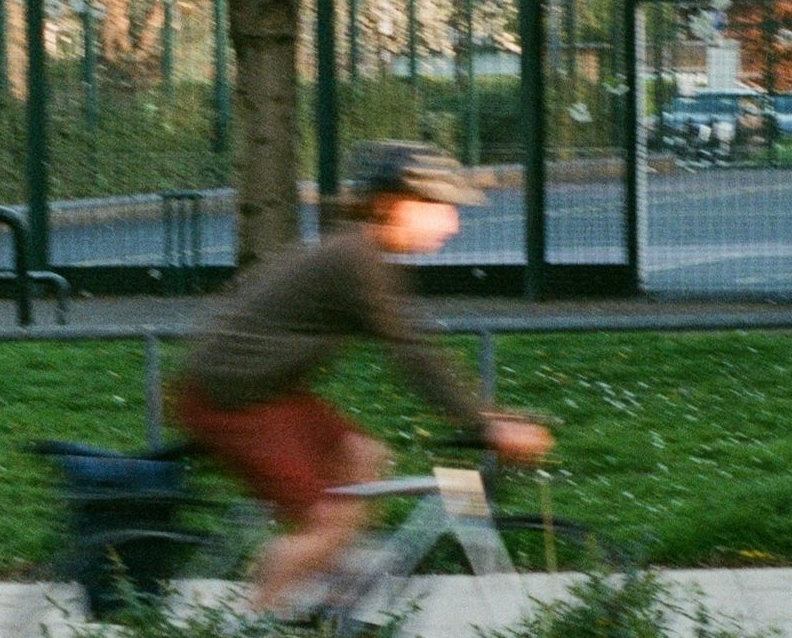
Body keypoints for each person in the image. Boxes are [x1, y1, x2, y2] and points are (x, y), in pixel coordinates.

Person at [173, 143, 551, 613]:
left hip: (266, 392)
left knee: (362, 453)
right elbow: (412, 352)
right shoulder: (356, 259)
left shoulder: (360, 251)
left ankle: (335, 594)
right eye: (438, 208)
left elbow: (414, 347)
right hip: (230, 401)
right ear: (393, 205)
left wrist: (490, 417)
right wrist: (487, 425)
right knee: (324, 526)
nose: (451, 223)